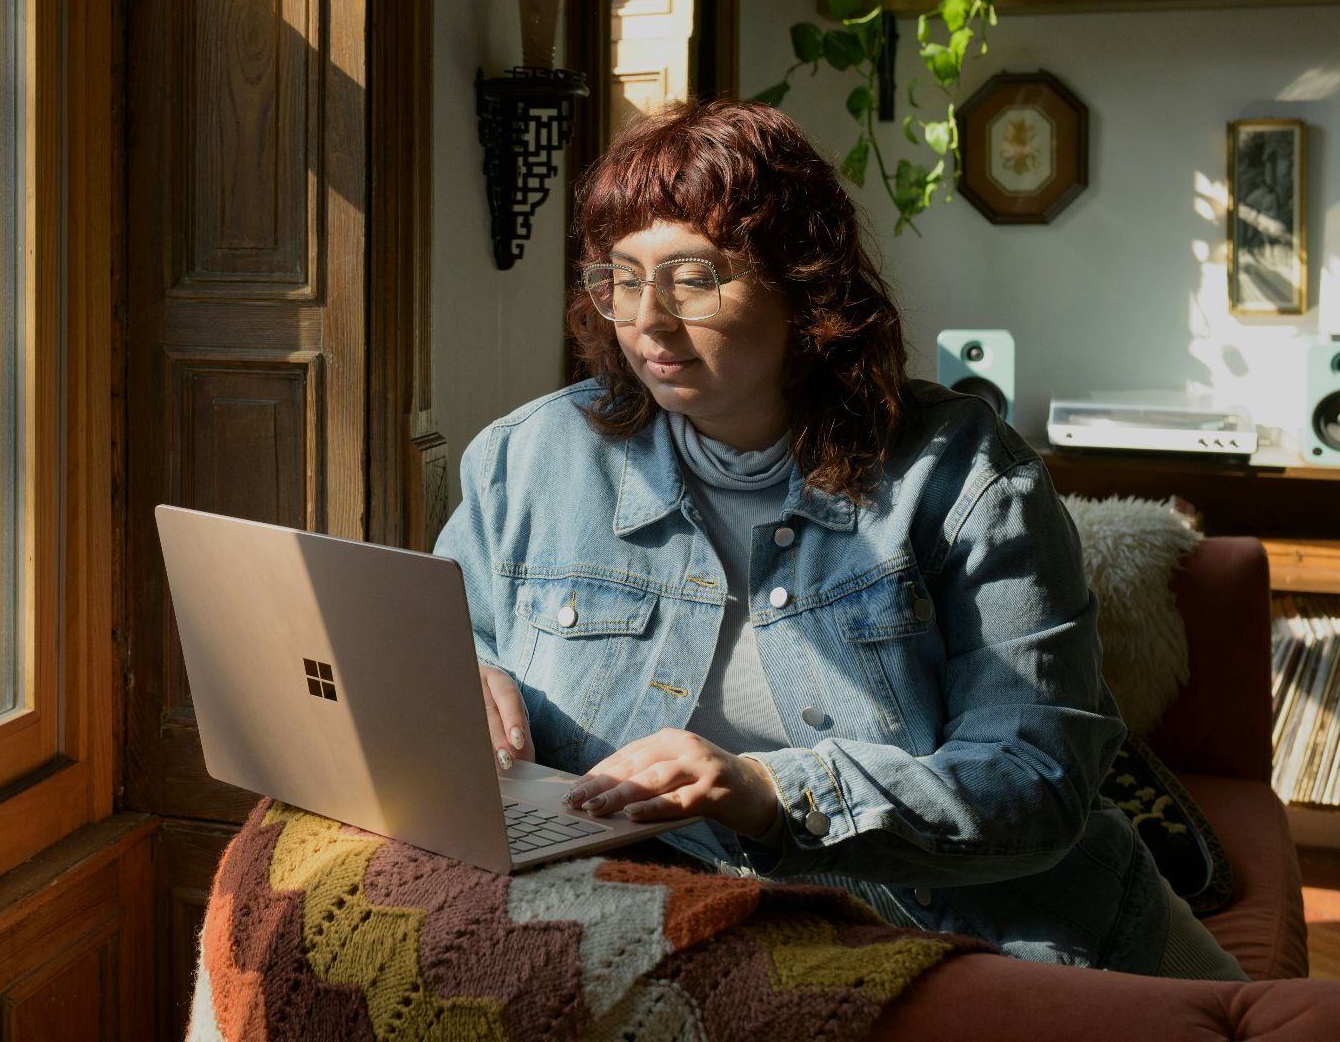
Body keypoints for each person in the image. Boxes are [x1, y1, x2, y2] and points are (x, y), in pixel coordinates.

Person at [432, 99, 1244, 980]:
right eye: (621, 279)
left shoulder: (965, 476)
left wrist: (773, 793)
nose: (648, 321)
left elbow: (1033, 779)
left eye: (693, 278)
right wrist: (460, 678)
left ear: (804, 283)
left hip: (958, 933)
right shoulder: (530, 457)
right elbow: (449, 634)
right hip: (642, 921)